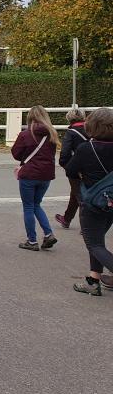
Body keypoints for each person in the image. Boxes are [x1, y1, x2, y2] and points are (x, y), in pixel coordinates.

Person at [66, 108, 113, 295]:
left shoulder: (86, 148)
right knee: (98, 242)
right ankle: (93, 281)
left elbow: (70, 170)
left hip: (93, 202)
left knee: (94, 244)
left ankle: (95, 281)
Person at [11, 105, 59, 251]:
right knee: (36, 204)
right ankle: (48, 233)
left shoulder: (25, 134)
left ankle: (32, 241)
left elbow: (16, 154)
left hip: (29, 174)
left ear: (30, 118)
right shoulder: (52, 133)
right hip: (46, 175)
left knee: (28, 206)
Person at [56, 107, 88, 229]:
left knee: (80, 196)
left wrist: (66, 166)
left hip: (76, 168)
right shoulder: (92, 129)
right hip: (92, 166)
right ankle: (67, 218)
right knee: (75, 193)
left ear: (69, 119)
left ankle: (86, 225)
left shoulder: (71, 133)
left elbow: (65, 153)